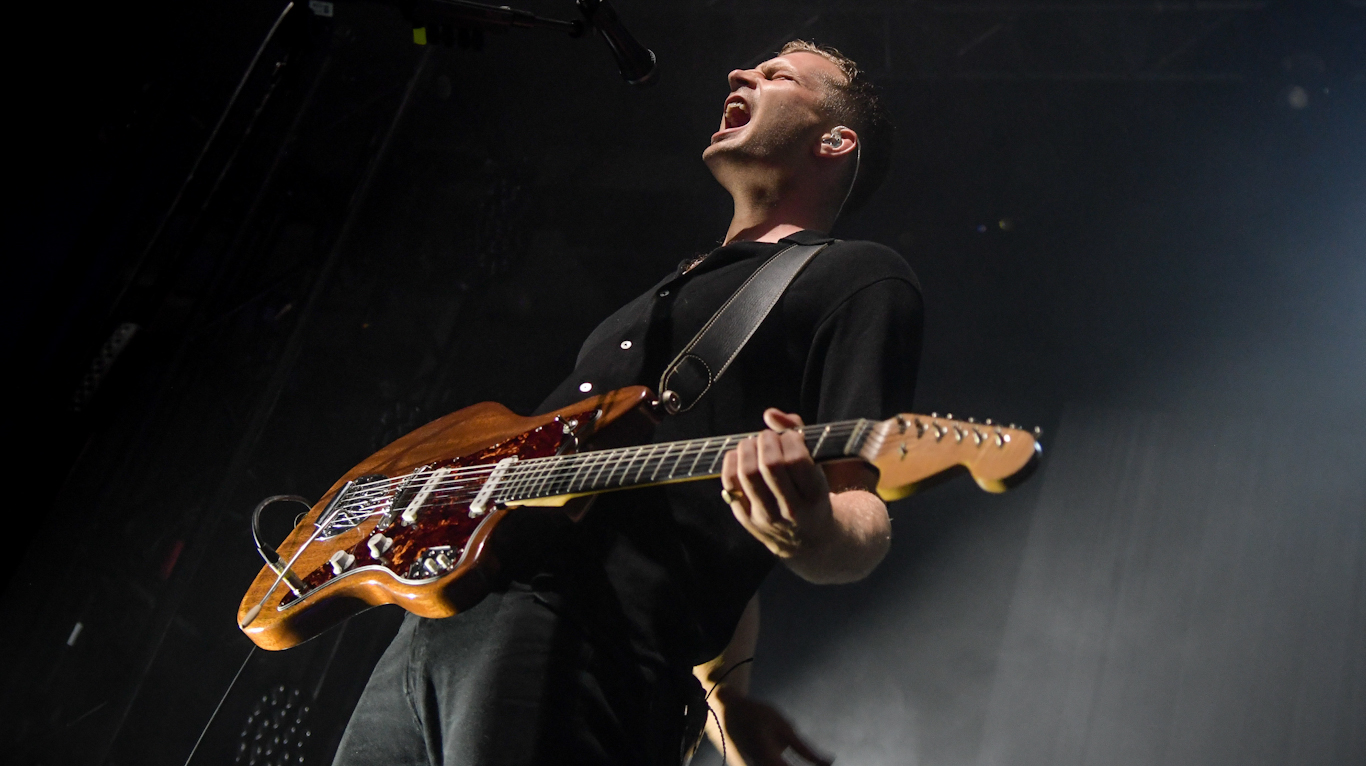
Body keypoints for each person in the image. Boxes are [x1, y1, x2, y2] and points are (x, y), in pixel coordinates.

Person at [332, 40, 922, 766]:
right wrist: (730, 700)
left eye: (777, 76)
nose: (739, 73)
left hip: (580, 635)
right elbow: (698, 524)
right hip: (436, 621)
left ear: (835, 141)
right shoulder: (671, 290)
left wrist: (809, 528)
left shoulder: (858, 277)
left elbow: (859, 516)